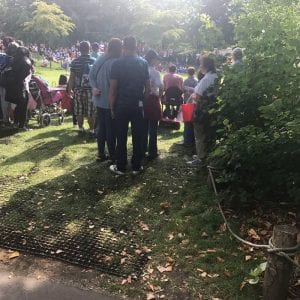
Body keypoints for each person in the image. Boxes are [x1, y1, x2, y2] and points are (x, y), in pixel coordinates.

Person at [109, 36, 150, 175]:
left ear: (123, 47)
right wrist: (142, 102)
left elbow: (113, 89)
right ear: (136, 46)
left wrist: (111, 106)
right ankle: (136, 166)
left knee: (120, 136)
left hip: (121, 104)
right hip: (137, 104)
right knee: (137, 135)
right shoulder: (143, 63)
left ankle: (120, 166)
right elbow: (148, 88)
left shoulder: (117, 63)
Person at [89, 38, 122, 162]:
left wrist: (94, 88)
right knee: (110, 128)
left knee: (102, 127)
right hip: (110, 100)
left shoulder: (100, 59)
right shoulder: (116, 62)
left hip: (99, 98)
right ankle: (112, 155)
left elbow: (91, 75)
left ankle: (101, 153)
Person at [187, 56, 218, 167]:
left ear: (206, 66)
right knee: (208, 134)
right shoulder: (216, 76)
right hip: (211, 109)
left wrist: (193, 95)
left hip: (202, 111)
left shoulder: (206, 79)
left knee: (200, 135)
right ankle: (204, 155)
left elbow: (199, 96)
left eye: (201, 64)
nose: (200, 67)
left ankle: (201, 159)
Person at [67, 41, 96, 137]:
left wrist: (70, 89)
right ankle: (92, 131)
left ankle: (80, 129)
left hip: (78, 89)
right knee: (91, 111)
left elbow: (71, 77)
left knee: (79, 110)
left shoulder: (75, 62)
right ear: (89, 49)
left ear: (79, 49)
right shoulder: (94, 61)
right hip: (91, 90)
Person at [142, 50, 163, 160]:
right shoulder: (155, 72)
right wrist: (159, 96)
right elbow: (161, 87)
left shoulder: (141, 70)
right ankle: (152, 151)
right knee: (153, 127)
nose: (157, 61)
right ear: (152, 59)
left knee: (143, 126)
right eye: (156, 59)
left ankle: (143, 149)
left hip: (143, 100)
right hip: (153, 99)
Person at [5, 46, 32, 130]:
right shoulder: (25, 61)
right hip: (20, 85)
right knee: (23, 106)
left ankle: (16, 123)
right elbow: (25, 74)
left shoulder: (13, 60)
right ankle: (22, 125)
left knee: (17, 105)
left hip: (11, 86)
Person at [177, 67, 198, 146]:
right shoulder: (196, 80)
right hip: (194, 103)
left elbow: (182, 90)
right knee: (192, 121)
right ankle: (191, 138)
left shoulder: (186, 81)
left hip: (187, 102)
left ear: (188, 72)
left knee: (187, 121)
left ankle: (187, 139)